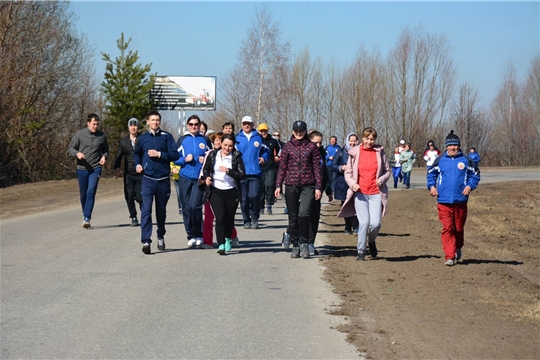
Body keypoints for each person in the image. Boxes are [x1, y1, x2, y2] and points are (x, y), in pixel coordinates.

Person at [427, 130, 480, 266]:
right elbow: (431, 174)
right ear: (446, 147)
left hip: (460, 200)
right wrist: (432, 186)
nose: (453, 148)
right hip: (443, 200)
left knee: (458, 228)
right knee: (447, 228)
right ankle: (449, 256)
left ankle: (458, 246)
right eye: (450, 146)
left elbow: (475, 175)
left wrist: (470, 186)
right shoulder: (440, 160)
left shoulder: (467, 160)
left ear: (459, 146)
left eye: (455, 145)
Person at [337, 127, 390, 261]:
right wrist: (352, 184)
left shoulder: (380, 152)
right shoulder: (354, 153)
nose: (370, 141)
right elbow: (348, 173)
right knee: (364, 222)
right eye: (367, 138)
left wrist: (381, 180)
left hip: (375, 193)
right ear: (363, 138)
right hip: (360, 192)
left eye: (372, 139)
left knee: (376, 223)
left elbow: (387, 171)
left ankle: (371, 241)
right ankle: (361, 251)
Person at [134, 110, 179, 254]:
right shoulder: (142, 138)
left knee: (161, 211)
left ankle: (161, 235)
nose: (155, 122)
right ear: (147, 122)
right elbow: (137, 154)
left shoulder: (167, 137)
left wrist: (159, 154)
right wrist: (138, 164)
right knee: (146, 210)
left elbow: (174, 155)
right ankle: (146, 241)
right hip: (148, 179)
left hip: (163, 180)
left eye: (157, 120)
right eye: (152, 120)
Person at [275, 120, 322, 259]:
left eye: (301, 131)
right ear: (293, 132)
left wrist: (318, 187)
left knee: (304, 214)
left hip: (308, 185)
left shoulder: (312, 147)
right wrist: (278, 185)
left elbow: (317, 169)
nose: (299, 133)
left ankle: (304, 243)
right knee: (293, 217)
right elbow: (282, 168)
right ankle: (295, 245)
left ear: (305, 132)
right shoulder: (288, 147)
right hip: (291, 185)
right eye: (296, 131)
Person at [202, 134, 246, 255]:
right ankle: (220, 243)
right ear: (220, 144)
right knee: (220, 217)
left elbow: (242, 175)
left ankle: (227, 238)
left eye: (230, 146)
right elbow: (206, 169)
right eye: (225, 145)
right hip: (216, 190)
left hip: (231, 191)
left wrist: (229, 171)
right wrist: (207, 178)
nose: (227, 148)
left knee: (229, 218)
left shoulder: (236, 156)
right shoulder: (212, 155)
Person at [175, 115, 211, 247]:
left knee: (195, 205)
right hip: (184, 176)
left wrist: (205, 160)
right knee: (186, 207)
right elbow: (174, 158)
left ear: (200, 125)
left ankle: (199, 234)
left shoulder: (205, 140)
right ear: (187, 126)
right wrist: (185, 159)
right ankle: (190, 235)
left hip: (199, 178)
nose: (194, 126)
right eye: (191, 124)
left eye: (196, 124)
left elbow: (211, 156)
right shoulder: (182, 140)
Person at [68, 113, 109, 228]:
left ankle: (87, 218)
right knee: (83, 194)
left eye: (97, 124)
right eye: (93, 124)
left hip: (95, 169)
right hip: (82, 169)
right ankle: (85, 213)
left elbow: (106, 149)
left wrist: (104, 157)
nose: (95, 126)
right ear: (88, 123)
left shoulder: (102, 136)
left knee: (91, 192)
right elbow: (70, 148)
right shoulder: (80, 134)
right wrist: (77, 153)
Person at [236, 116, 269, 230]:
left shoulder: (258, 138)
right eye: (244, 123)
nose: (246, 125)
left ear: (252, 124)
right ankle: (246, 219)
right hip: (241, 173)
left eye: (249, 123)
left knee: (254, 196)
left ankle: (254, 218)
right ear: (241, 124)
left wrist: (264, 157)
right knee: (244, 199)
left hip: (255, 172)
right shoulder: (237, 138)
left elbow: (266, 150)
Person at [307, 130, 333, 256]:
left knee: (314, 216)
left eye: (320, 143)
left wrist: (328, 190)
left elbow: (325, 173)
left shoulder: (322, 152)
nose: (318, 146)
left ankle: (310, 243)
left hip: (318, 189)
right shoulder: (304, 152)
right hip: (305, 188)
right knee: (302, 215)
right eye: (315, 143)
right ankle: (292, 234)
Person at [114, 117, 143, 227]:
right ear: (128, 127)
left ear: (138, 127)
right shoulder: (124, 141)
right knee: (129, 196)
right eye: (131, 125)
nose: (133, 128)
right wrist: (117, 167)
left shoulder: (143, 139)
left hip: (141, 174)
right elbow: (118, 156)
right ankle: (133, 216)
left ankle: (144, 215)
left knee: (141, 197)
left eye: (135, 125)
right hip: (129, 174)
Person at [331, 133, 359, 235]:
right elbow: (333, 165)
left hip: (356, 183)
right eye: (351, 141)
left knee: (357, 205)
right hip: (343, 183)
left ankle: (356, 227)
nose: (352, 143)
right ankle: (347, 226)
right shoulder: (341, 151)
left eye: (354, 141)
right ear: (347, 141)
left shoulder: (360, 151)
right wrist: (341, 167)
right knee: (345, 206)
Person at [258, 123, 280, 214]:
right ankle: (261, 205)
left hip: (270, 166)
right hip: (259, 166)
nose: (263, 132)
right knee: (261, 186)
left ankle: (269, 203)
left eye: (265, 130)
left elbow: (279, 149)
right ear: (259, 131)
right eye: (261, 131)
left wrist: (277, 156)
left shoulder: (273, 140)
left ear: (267, 130)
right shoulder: (256, 140)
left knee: (270, 184)